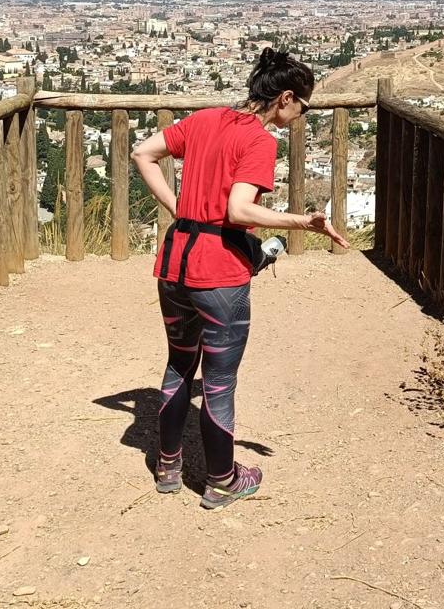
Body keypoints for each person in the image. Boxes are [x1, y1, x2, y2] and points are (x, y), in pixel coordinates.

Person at [131, 48, 349, 510]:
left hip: (174, 264)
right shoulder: (259, 140)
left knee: (178, 365)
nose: (301, 116)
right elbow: (238, 210)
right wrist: (303, 223)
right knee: (218, 382)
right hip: (219, 273)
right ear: (285, 98)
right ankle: (223, 480)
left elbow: (142, 152)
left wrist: (178, 208)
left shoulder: (205, 119)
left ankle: (168, 466)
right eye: (303, 107)